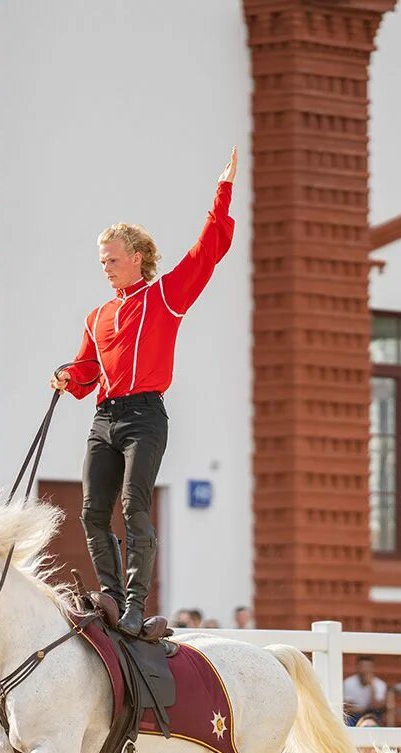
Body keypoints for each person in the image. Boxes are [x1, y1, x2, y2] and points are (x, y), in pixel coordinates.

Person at [52, 148, 237, 636]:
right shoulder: (97, 316)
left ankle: (136, 602)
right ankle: (110, 594)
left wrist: (222, 193)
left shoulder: (164, 297)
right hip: (103, 417)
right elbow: (88, 370)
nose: (105, 268)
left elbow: (206, 253)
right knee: (92, 511)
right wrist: (68, 376)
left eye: (112, 260)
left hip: (144, 416)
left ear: (136, 259)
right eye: (101, 261)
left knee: (134, 505)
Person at [341, 656, 390, 725]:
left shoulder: (380, 684)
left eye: (368, 666)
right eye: (362, 666)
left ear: (372, 668)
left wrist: (371, 686)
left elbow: (377, 706)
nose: (365, 669)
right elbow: (346, 706)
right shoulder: (348, 683)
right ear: (357, 667)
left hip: (371, 716)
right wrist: (364, 709)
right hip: (353, 715)